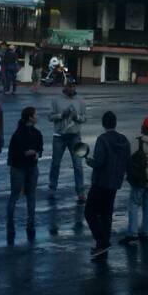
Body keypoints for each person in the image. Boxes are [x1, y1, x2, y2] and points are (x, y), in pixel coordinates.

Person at [83, 110, 131, 259]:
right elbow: (127, 161)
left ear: (103, 124)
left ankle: (101, 241)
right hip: (115, 182)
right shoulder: (124, 140)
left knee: (90, 212)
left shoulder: (102, 139)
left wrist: (89, 161)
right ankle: (104, 242)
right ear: (115, 123)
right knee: (106, 213)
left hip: (101, 181)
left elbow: (99, 162)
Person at [6, 106, 44, 245]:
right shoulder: (27, 133)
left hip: (24, 167)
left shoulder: (22, 133)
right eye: (35, 115)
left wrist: (36, 153)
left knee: (17, 197)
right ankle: (28, 223)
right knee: (27, 196)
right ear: (30, 117)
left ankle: (14, 225)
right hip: (23, 167)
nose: (37, 117)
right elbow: (14, 151)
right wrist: (28, 153)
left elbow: (40, 148)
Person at [48, 80, 88, 209]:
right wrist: (61, 115)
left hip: (75, 136)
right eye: (69, 86)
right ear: (64, 86)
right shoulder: (56, 100)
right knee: (56, 163)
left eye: (73, 86)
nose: (72, 88)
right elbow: (50, 116)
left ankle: (80, 192)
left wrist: (77, 117)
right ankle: (52, 188)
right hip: (59, 136)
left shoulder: (80, 100)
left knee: (77, 165)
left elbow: (84, 118)